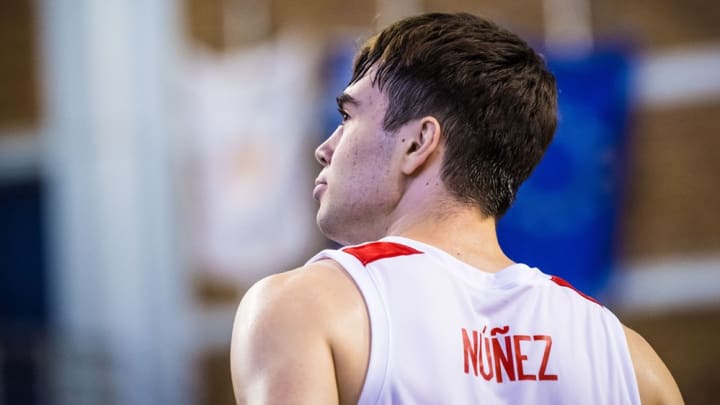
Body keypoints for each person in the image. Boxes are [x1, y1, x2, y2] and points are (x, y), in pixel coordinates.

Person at [230, 12, 683, 405]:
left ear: (418, 143)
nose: (325, 149)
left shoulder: (304, 308)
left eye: (348, 118)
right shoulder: (632, 360)